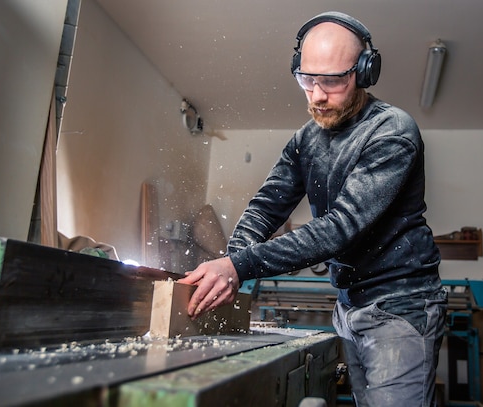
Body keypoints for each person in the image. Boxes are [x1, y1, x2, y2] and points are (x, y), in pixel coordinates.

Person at [178, 11, 447, 407]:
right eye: (307, 79)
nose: (317, 94)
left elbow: (340, 228)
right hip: (349, 306)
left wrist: (239, 267)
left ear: (364, 72)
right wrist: (229, 267)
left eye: (333, 80)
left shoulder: (392, 132)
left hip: (400, 307)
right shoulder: (306, 139)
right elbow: (265, 208)